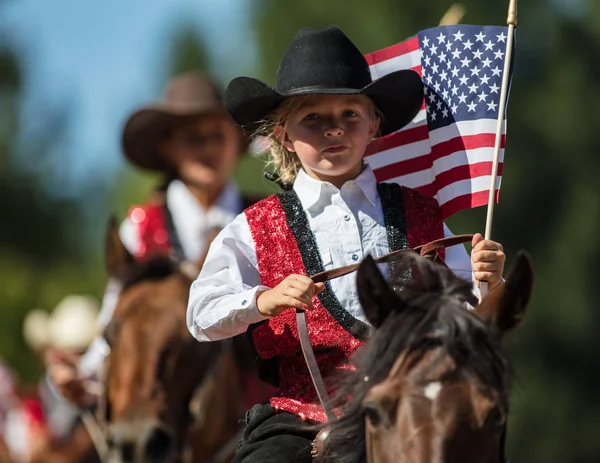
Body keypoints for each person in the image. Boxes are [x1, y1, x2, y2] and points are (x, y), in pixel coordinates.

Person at [186, 26, 506, 463]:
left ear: (374, 124)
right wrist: (263, 300)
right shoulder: (253, 226)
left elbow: (468, 312)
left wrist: (490, 282)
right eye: (312, 118)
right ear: (283, 134)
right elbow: (201, 313)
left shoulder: (422, 214)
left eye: (349, 115)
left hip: (414, 406)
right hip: (304, 419)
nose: (333, 130)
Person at [47, 71, 265, 408]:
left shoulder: (267, 216)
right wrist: (85, 374)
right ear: (169, 147)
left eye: (217, 136)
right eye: (194, 138)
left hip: (263, 393)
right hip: (166, 405)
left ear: (237, 142)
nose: (207, 148)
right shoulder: (140, 229)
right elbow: (117, 321)